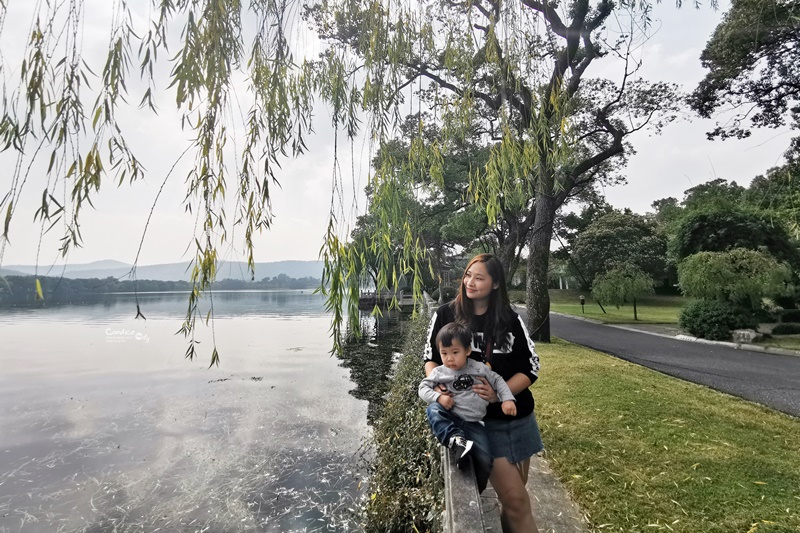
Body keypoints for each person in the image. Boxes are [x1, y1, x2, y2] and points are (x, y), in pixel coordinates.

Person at [423, 253, 542, 533]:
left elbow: (531, 368)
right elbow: (430, 358)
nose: (470, 282)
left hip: (516, 416)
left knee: (512, 500)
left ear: (496, 283)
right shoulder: (446, 314)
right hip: (478, 421)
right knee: (516, 499)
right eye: (467, 275)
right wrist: (438, 382)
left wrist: (501, 394)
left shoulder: (510, 320)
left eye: (479, 277)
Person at [418, 322, 517, 492]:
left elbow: (498, 380)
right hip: (451, 416)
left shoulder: (479, 368)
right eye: (444, 353)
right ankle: (456, 440)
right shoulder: (440, 372)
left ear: (468, 351)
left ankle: (475, 491)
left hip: (474, 422)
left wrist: (507, 399)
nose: (449, 358)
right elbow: (422, 388)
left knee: (486, 460)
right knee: (433, 410)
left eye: (455, 353)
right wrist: (439, 397)